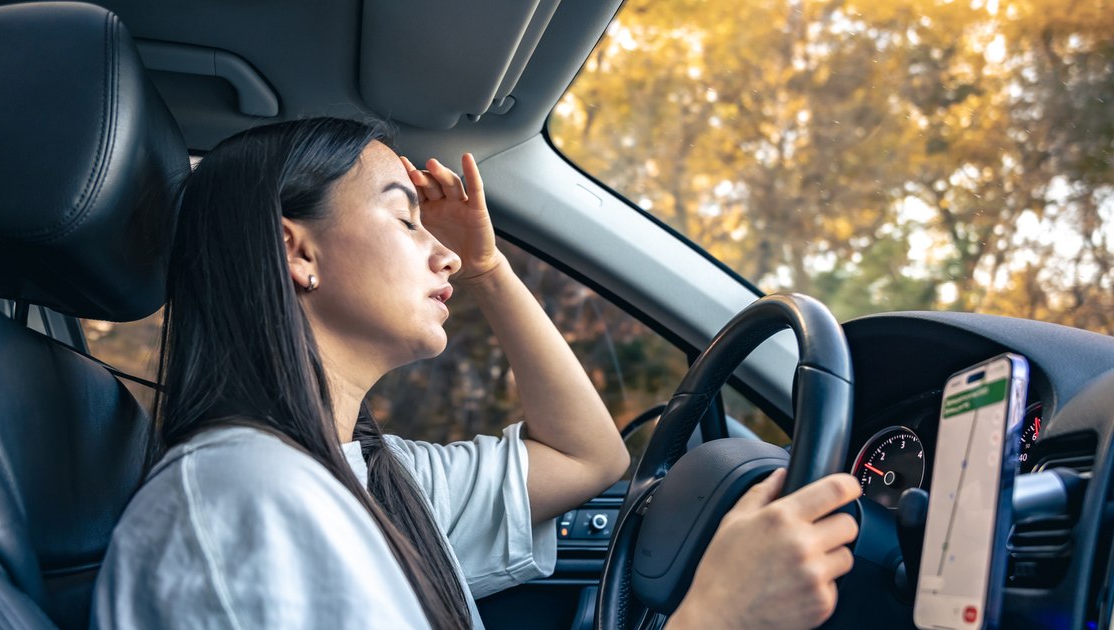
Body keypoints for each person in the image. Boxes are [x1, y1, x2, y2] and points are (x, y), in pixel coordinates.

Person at [91, 117, 860, 630]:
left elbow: (588, 457)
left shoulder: (370, 477)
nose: (446, 253)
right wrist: (715, 614)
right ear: (298, 251)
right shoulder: (242, 502)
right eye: (404, 217)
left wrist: (491, 270)